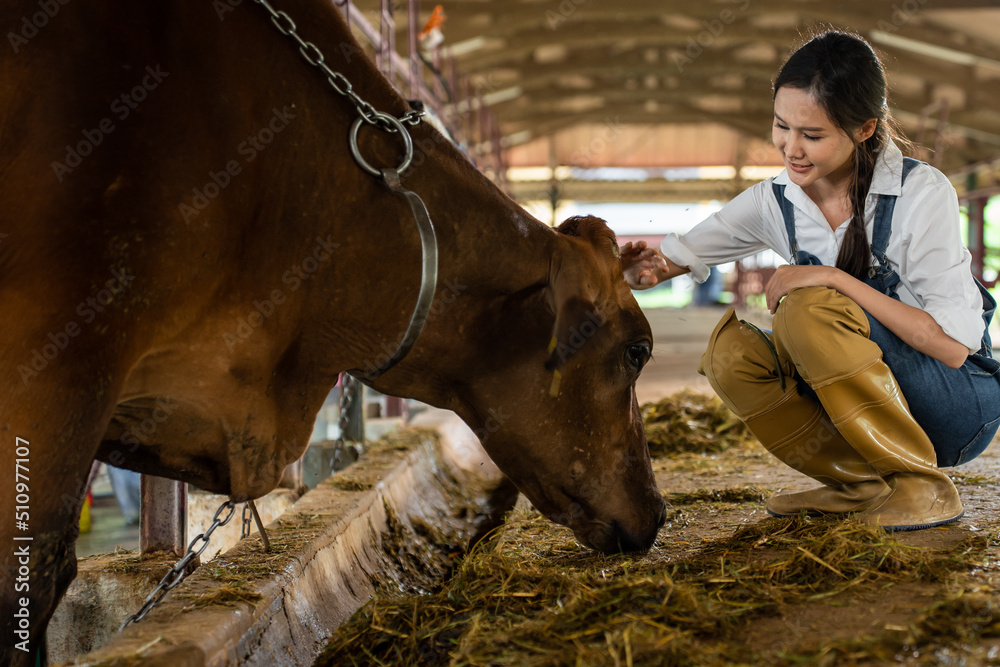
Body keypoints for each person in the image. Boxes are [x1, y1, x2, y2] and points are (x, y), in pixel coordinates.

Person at [621, 30, 1000, 532]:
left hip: (952, 405)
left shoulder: (918, 192)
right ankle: (860, 483)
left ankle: (922, 487)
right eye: (782, 126)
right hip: (872, 407)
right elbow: (674, 257)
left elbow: (952, 347)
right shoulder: (774, 200)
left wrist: (828, 277)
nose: (791, 148)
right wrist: (639, 270)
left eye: (813, 135)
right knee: (730, 355)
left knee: (810, 305)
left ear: (865, 129)